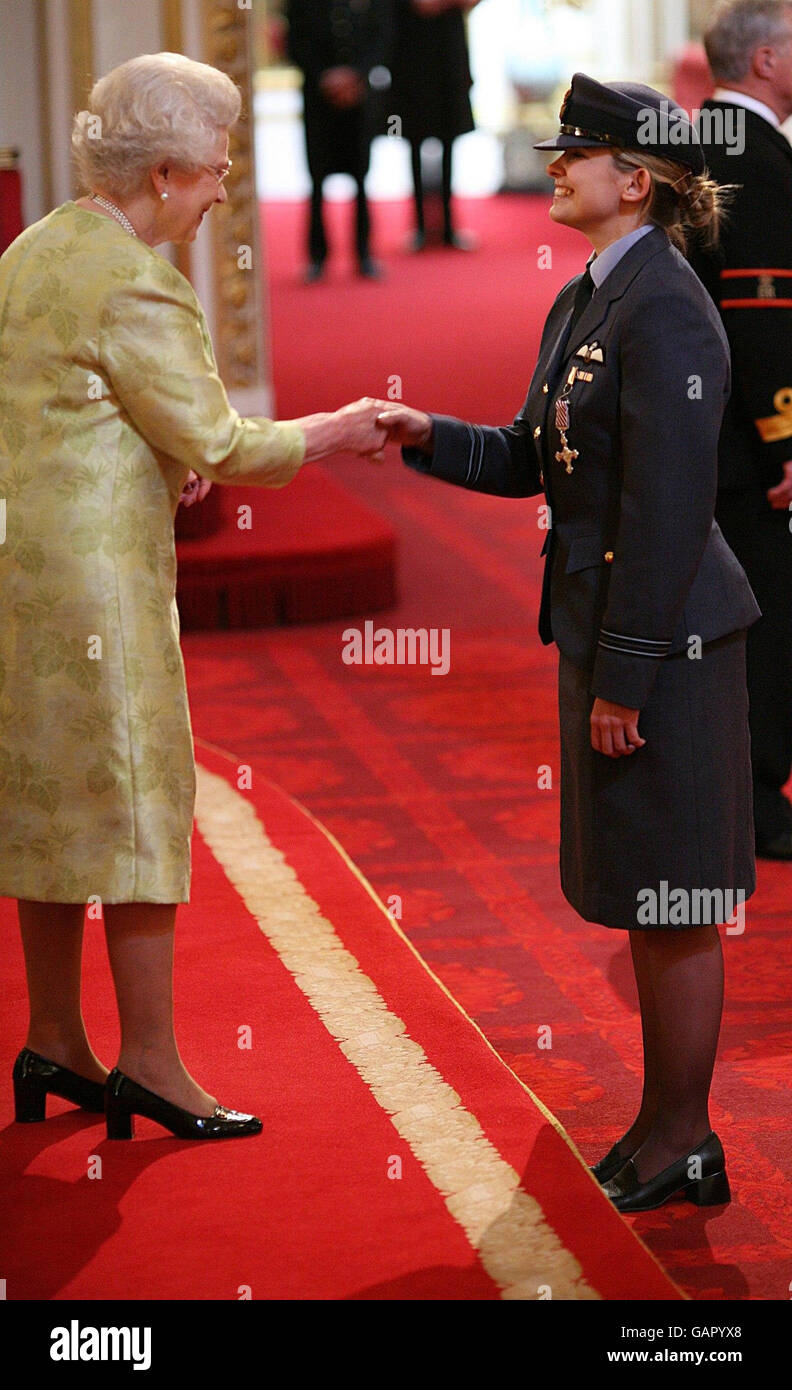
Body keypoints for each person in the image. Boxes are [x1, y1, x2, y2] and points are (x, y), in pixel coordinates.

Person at [377, 73, 760, 1212]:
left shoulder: (667, 302)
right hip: (614, 631)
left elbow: (668, 510)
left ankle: (687, 1134)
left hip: (670, 642)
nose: (554, 165)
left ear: (633, 180)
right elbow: (537, 454)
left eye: (575, 153)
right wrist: (423, 434)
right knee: (649, 888)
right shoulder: (595, 292)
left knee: (679, 895)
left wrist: (628, 674)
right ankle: (663, 1123)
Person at [0, 52, 386, 1142]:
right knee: (135, 802)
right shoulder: (138, 278)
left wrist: (163, 457)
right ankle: (154, 1064)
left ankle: (55, 1040)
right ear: (163, 173)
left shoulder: (38, 246)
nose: (223, 190)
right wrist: (344, 427)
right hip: (101, 584)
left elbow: (70, 407)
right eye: (215, 170)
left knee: (48, 802)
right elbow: (226, 439)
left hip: (21, 570)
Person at [689, 0, 792, 859]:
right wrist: (787, 443)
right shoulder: (750, 154)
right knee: (770, 615)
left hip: (720, 433)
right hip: (756, 445)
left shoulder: (713, 139)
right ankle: (759, 799)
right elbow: (762, 313)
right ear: (764, 59)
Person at [287, 0, 392, 280]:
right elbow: (294, 40)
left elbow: (382, 35)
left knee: (361, 177)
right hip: (318, 97)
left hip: (359, 97)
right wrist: (326, 76)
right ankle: (317, 257)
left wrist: (356, 74)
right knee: (317, 179)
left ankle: (364, 253)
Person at [390, 0, 480, 249]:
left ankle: (449, 226)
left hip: (449, 57)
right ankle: (419, 226)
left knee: (450, 141)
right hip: (410, 57)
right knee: (414, 141)